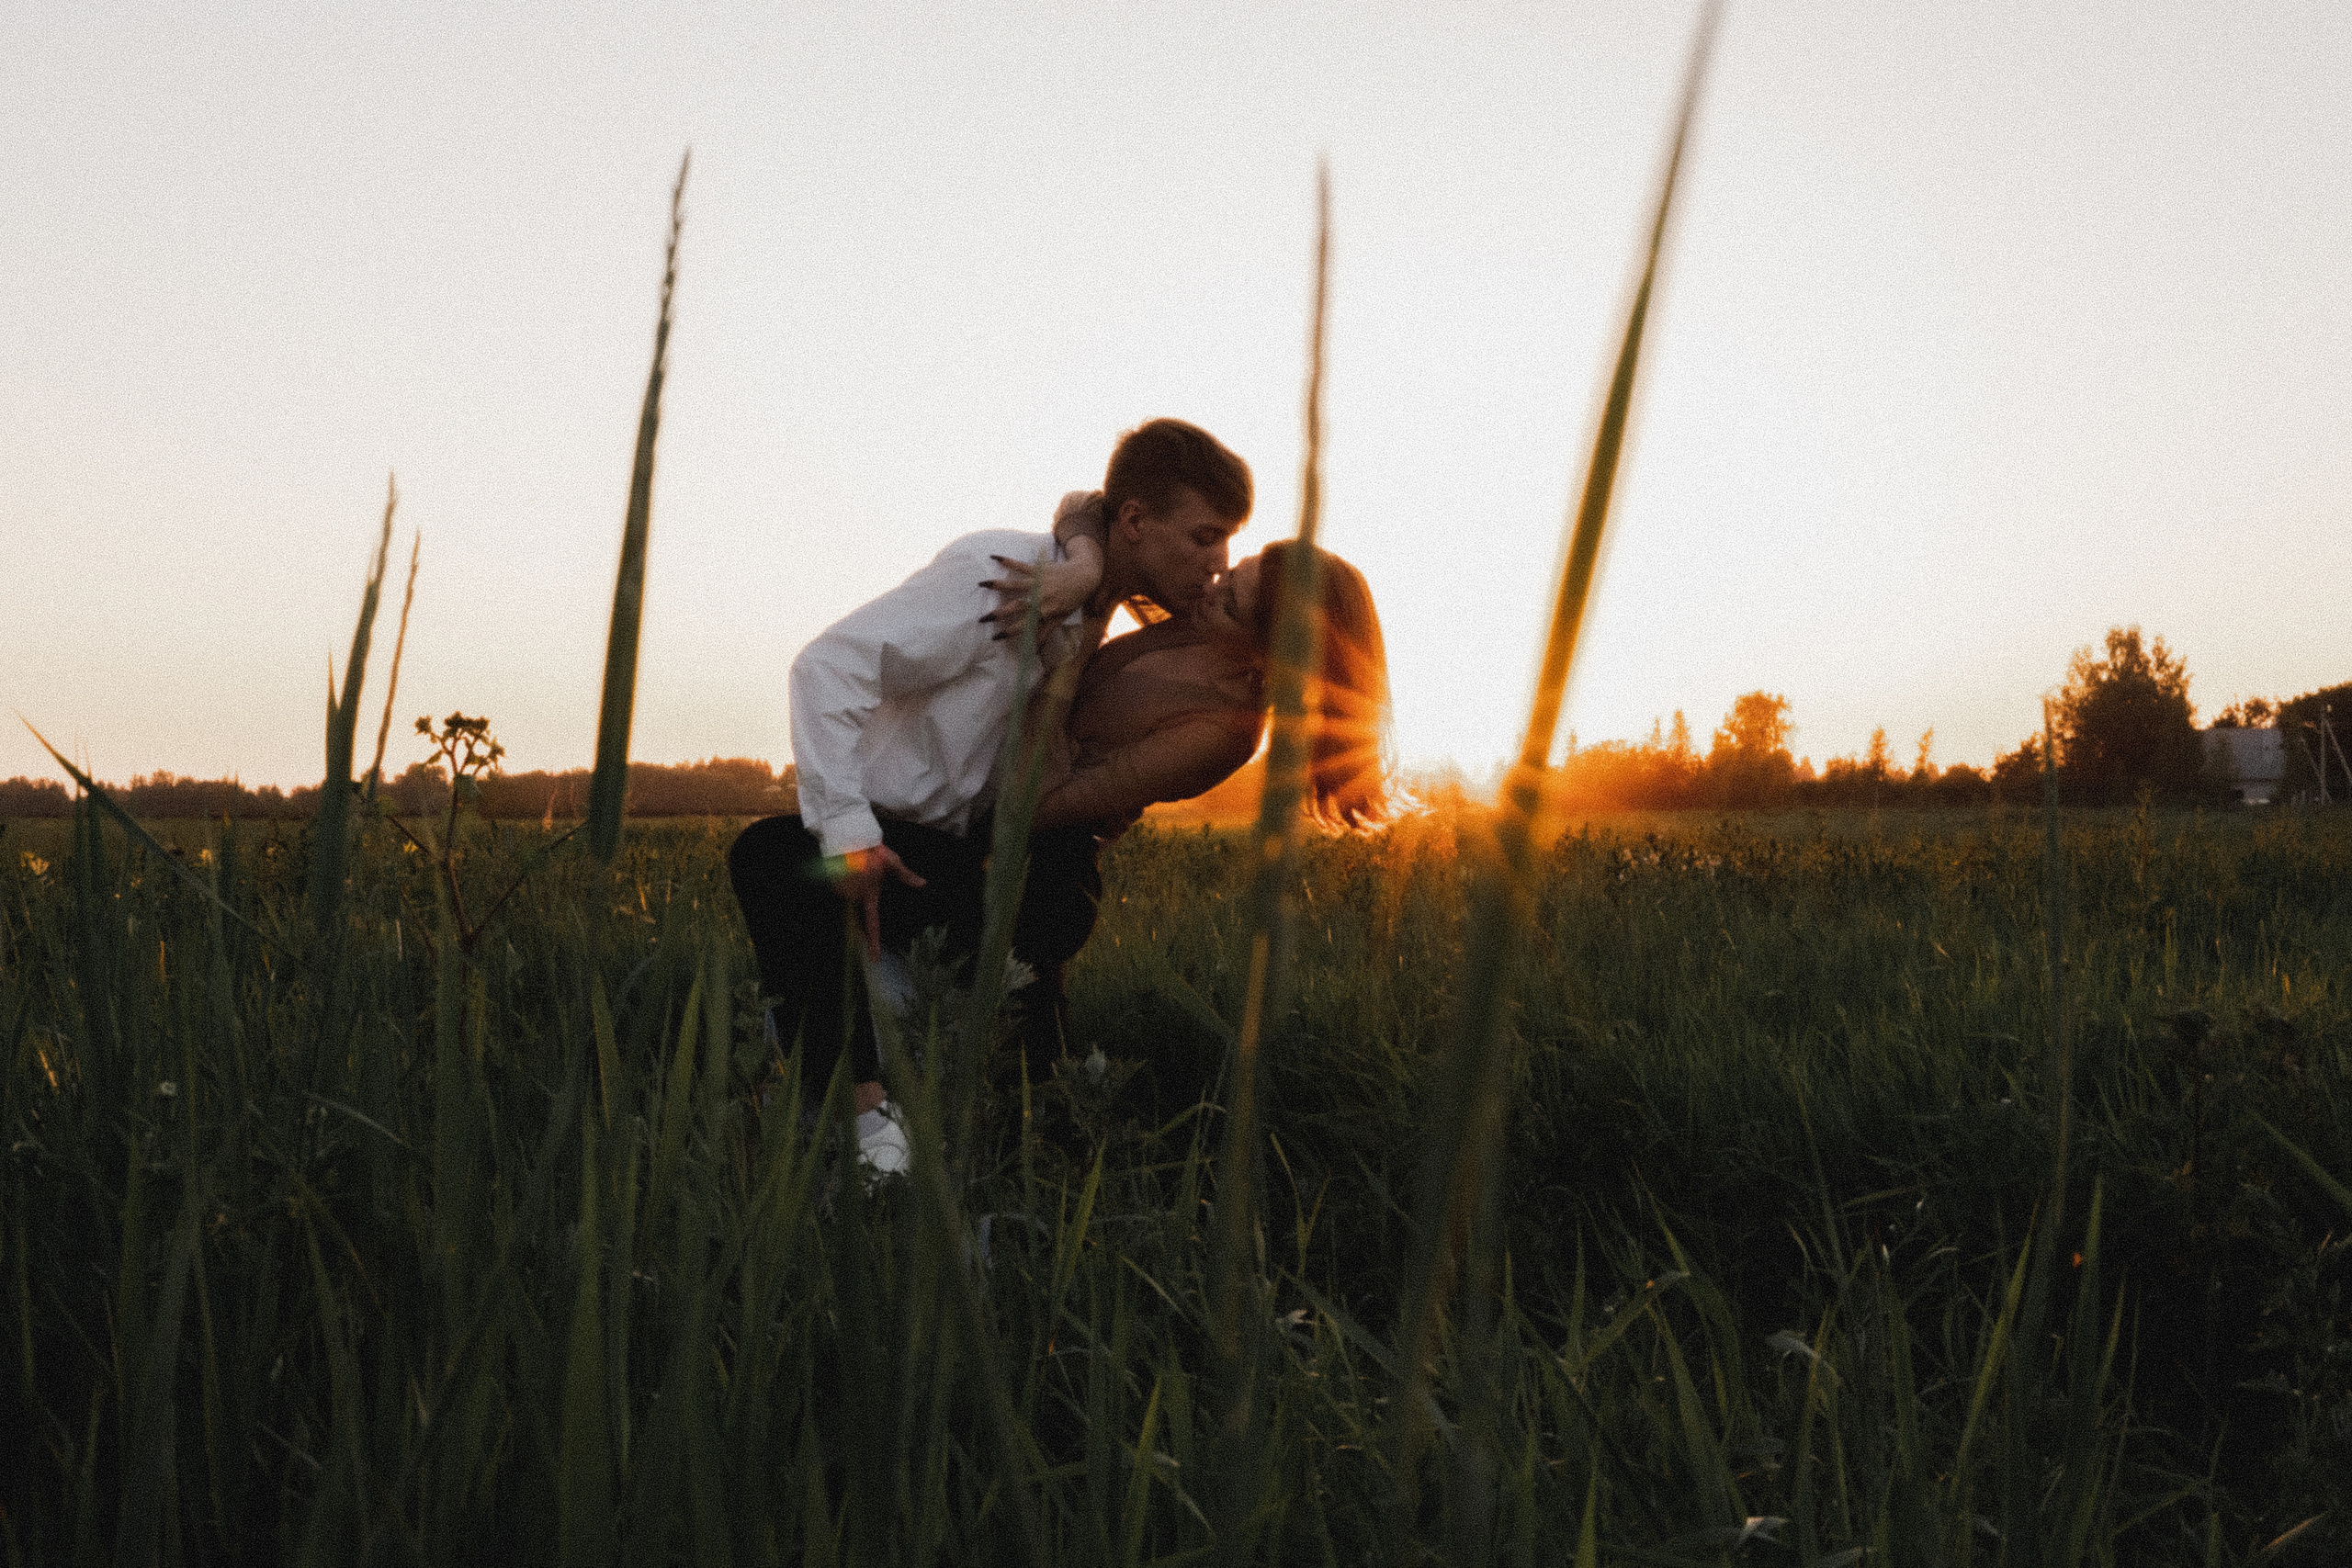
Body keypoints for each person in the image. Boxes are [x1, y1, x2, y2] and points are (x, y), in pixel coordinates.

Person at [727, 419, 1251, 1175]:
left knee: (1028, 1082)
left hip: (977, 855)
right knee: (774, 856)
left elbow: (1086, 508)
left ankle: (1026, 1148)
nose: (1217, 562)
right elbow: (826, 668)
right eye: (1205, 538)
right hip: (903, 834)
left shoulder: (1101, 599)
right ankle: (873, 1130)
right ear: (1135, 520)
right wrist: (848, 836)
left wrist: (1084, 567)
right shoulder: (1005, 574)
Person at [1000, 538, 1394, 1052]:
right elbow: (1102, 512)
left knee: (1016, 1073)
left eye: (1232, 602)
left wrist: (1063, 672)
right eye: (1234, 572)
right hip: (991, 812)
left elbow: (1045, 810)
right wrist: (1086, 567)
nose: (1213, 589)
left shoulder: (1225, 730)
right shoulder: (1192, 615)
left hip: (1044, 877)